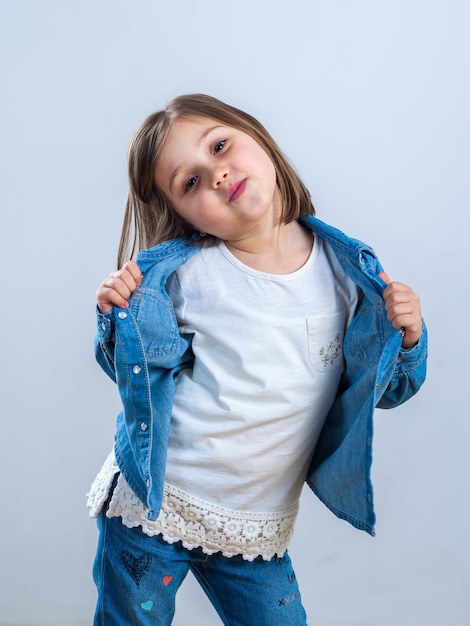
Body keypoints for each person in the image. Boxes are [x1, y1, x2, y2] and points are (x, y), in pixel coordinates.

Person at [87, 94, 427, 625]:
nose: (217, 174)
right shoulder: (186, 277)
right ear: (183, 216)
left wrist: (408, 341)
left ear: (259, 139)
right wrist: (117, 317)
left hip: (254, 525)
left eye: (220, 146)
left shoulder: (348, 276)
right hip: (157, 508)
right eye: (190, 182)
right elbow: (135, 376)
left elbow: (385, 391)